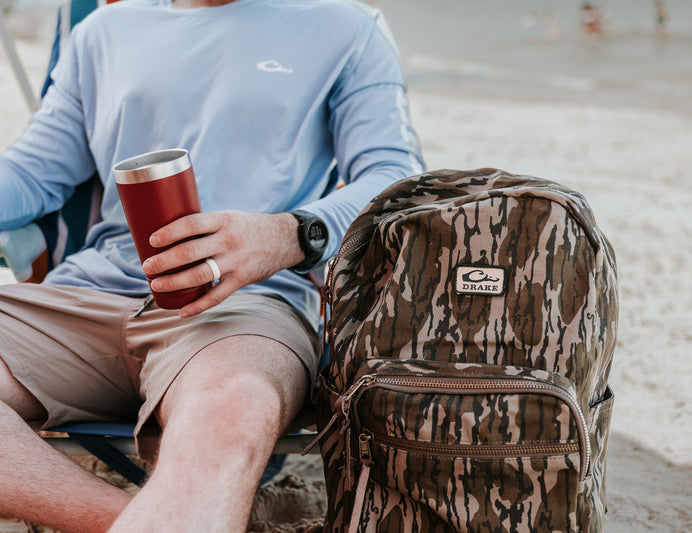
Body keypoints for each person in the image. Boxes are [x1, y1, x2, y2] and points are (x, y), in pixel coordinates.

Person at [0, 0, 424, 532]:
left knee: (231, 413)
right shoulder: (104, 29)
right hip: (84, 296)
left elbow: (397, 179)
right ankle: (137, 521)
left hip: (246, 302)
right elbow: (35, 173)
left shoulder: (346, 26)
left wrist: (288, 233)